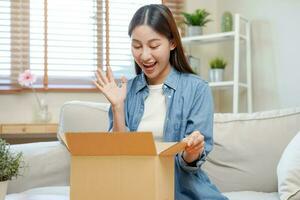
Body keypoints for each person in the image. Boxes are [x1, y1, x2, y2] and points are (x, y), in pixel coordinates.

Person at [94, 4, 228, 200]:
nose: (145, 55)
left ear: (172, 43)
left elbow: (192, 161)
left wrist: (190, 152)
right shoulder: (125, 92)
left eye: (154, 46)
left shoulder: (197, 89)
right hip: (135, 190)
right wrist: (117, 108)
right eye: (137, 46)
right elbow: (121, 157)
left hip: (183, 191)